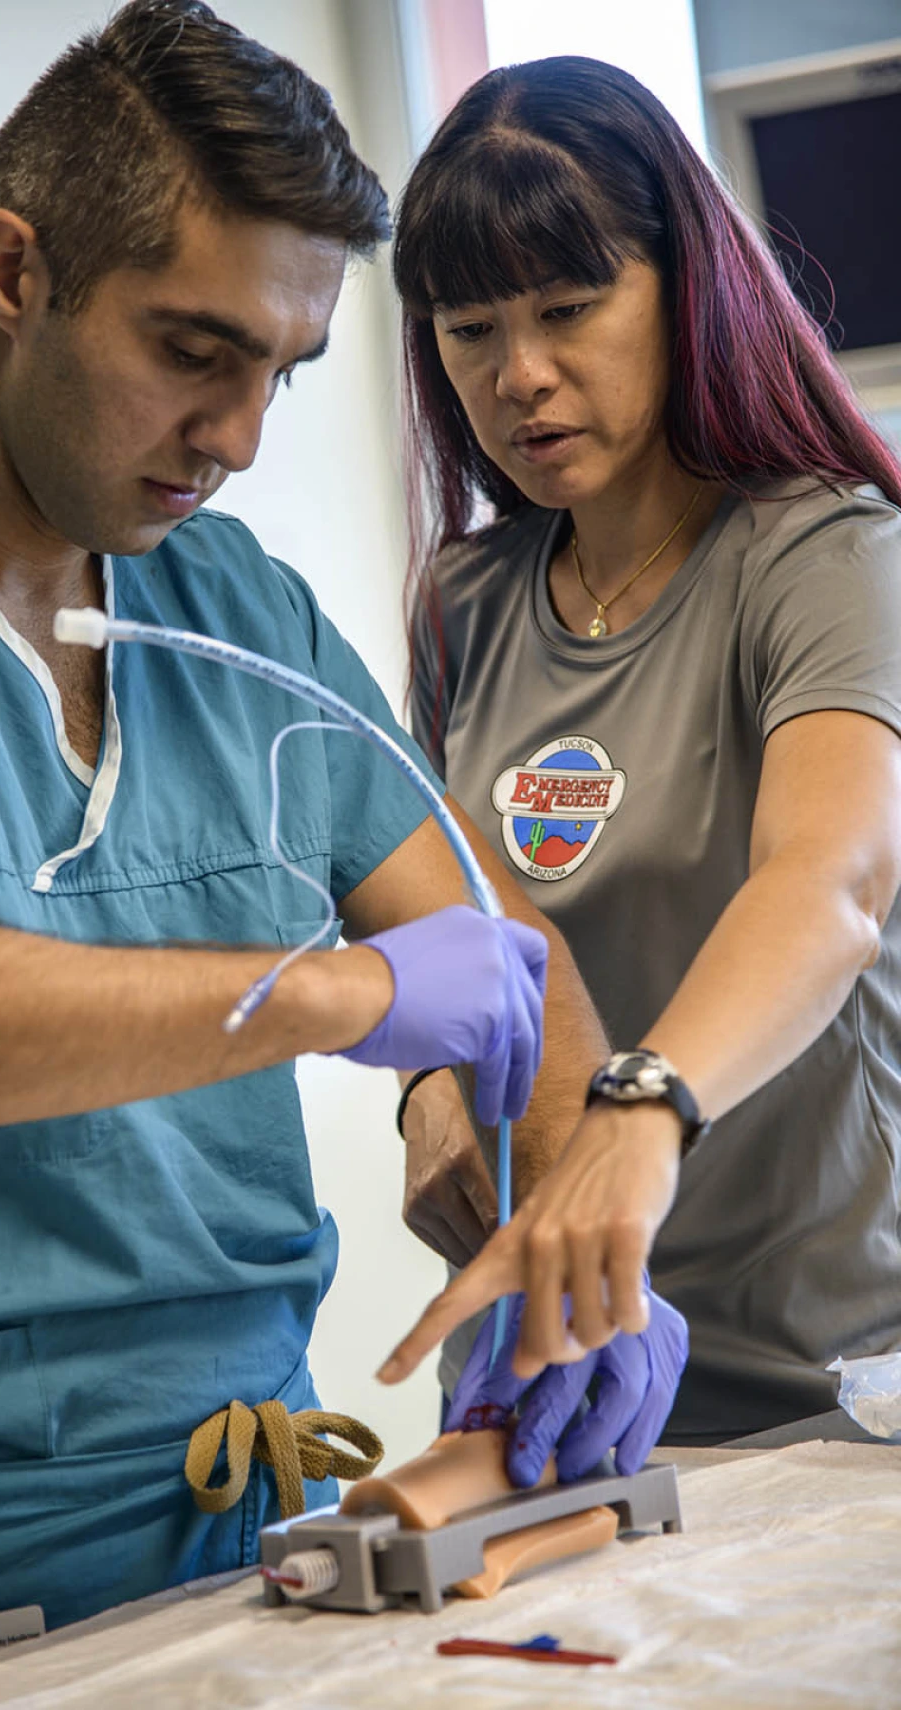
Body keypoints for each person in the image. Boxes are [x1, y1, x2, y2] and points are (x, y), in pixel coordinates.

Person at [0, 10, 623, 1709]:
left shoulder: (235, 607)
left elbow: (511, 970)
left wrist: (573, 1252)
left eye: (283, 373)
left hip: (264, 1512)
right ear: (12, 269)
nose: (235, 433)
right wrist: (331, 996)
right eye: (192, 349)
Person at [377, 55, 901, 1450]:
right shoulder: (461, 607)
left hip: (826, 1386)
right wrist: (429, 1094)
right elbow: (448, 935)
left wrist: (638, 1107)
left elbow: (831, 883)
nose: (520, 373)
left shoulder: (827, 552)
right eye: (469, 326)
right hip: (557, 1383)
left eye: (567, 307)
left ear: (686, 284)